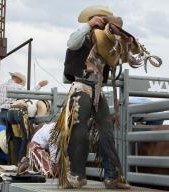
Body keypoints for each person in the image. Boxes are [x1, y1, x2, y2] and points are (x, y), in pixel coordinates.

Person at [50, 5, 138, 189]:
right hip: (81, 86)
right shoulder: (82, 36)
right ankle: (76, 175)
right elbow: (71, 43)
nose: (102, 21)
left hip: (98, 89)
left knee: (106, 131)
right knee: (78, 131)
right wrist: (88, 26)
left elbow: (121, 57)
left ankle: (112, 177)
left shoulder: (109, 40)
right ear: (92, 19)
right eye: (99, 18)